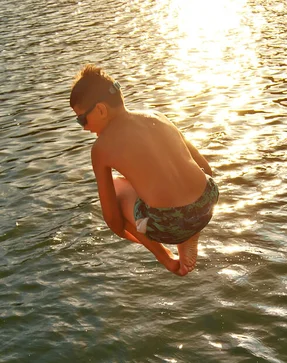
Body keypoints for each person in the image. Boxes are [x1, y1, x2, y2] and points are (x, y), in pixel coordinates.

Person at [69, 64, 219, 276]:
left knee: (116, 190)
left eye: (82, 119)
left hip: (171, 224)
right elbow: (205, 168)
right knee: (142, 178)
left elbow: (112, 220)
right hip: (208, 201)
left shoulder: (102, 148)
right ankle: (191, 233)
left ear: (101, 109)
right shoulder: (157, 116)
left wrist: (129, 233)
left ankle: (169, 259)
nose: (84, 127)